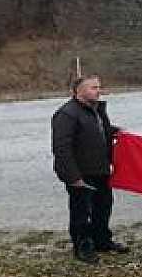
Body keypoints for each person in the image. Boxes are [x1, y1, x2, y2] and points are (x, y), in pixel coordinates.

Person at [51, 75, 129, 264]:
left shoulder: (97, 110)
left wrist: (117, 132)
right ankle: (83, 247)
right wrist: (73, 176)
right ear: (79, 91)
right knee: (81, 212)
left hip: (101, 169)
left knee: (103, 207)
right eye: (93, 87)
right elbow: (61, 148)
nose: (98, 90)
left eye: (98, 87)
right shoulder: (67, 114)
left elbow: (101, 131)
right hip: (81, 173)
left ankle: (102, 240)